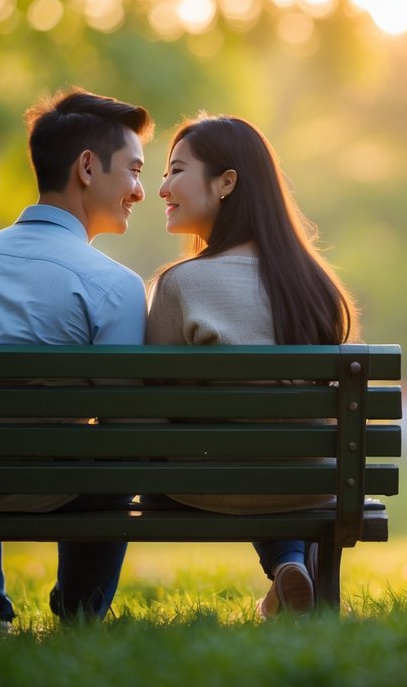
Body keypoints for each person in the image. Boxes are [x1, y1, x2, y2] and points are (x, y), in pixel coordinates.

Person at [0, 87, 152, 628]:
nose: (141, 191)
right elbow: (124, 424)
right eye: (135, 171)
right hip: (52, 489)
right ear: (88, 168)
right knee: (118, 459)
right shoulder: (112, 284)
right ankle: (78, 614)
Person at [145, 114, 357, 619]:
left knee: (235, 448)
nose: (162, 188)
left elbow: (148, 406)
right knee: (274, 452)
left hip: (210, 486)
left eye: (176, 170)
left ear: (227, 182)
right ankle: (288, 567)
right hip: (310, 483)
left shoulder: (181, 285)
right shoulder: (316, 285)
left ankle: (285, 570)